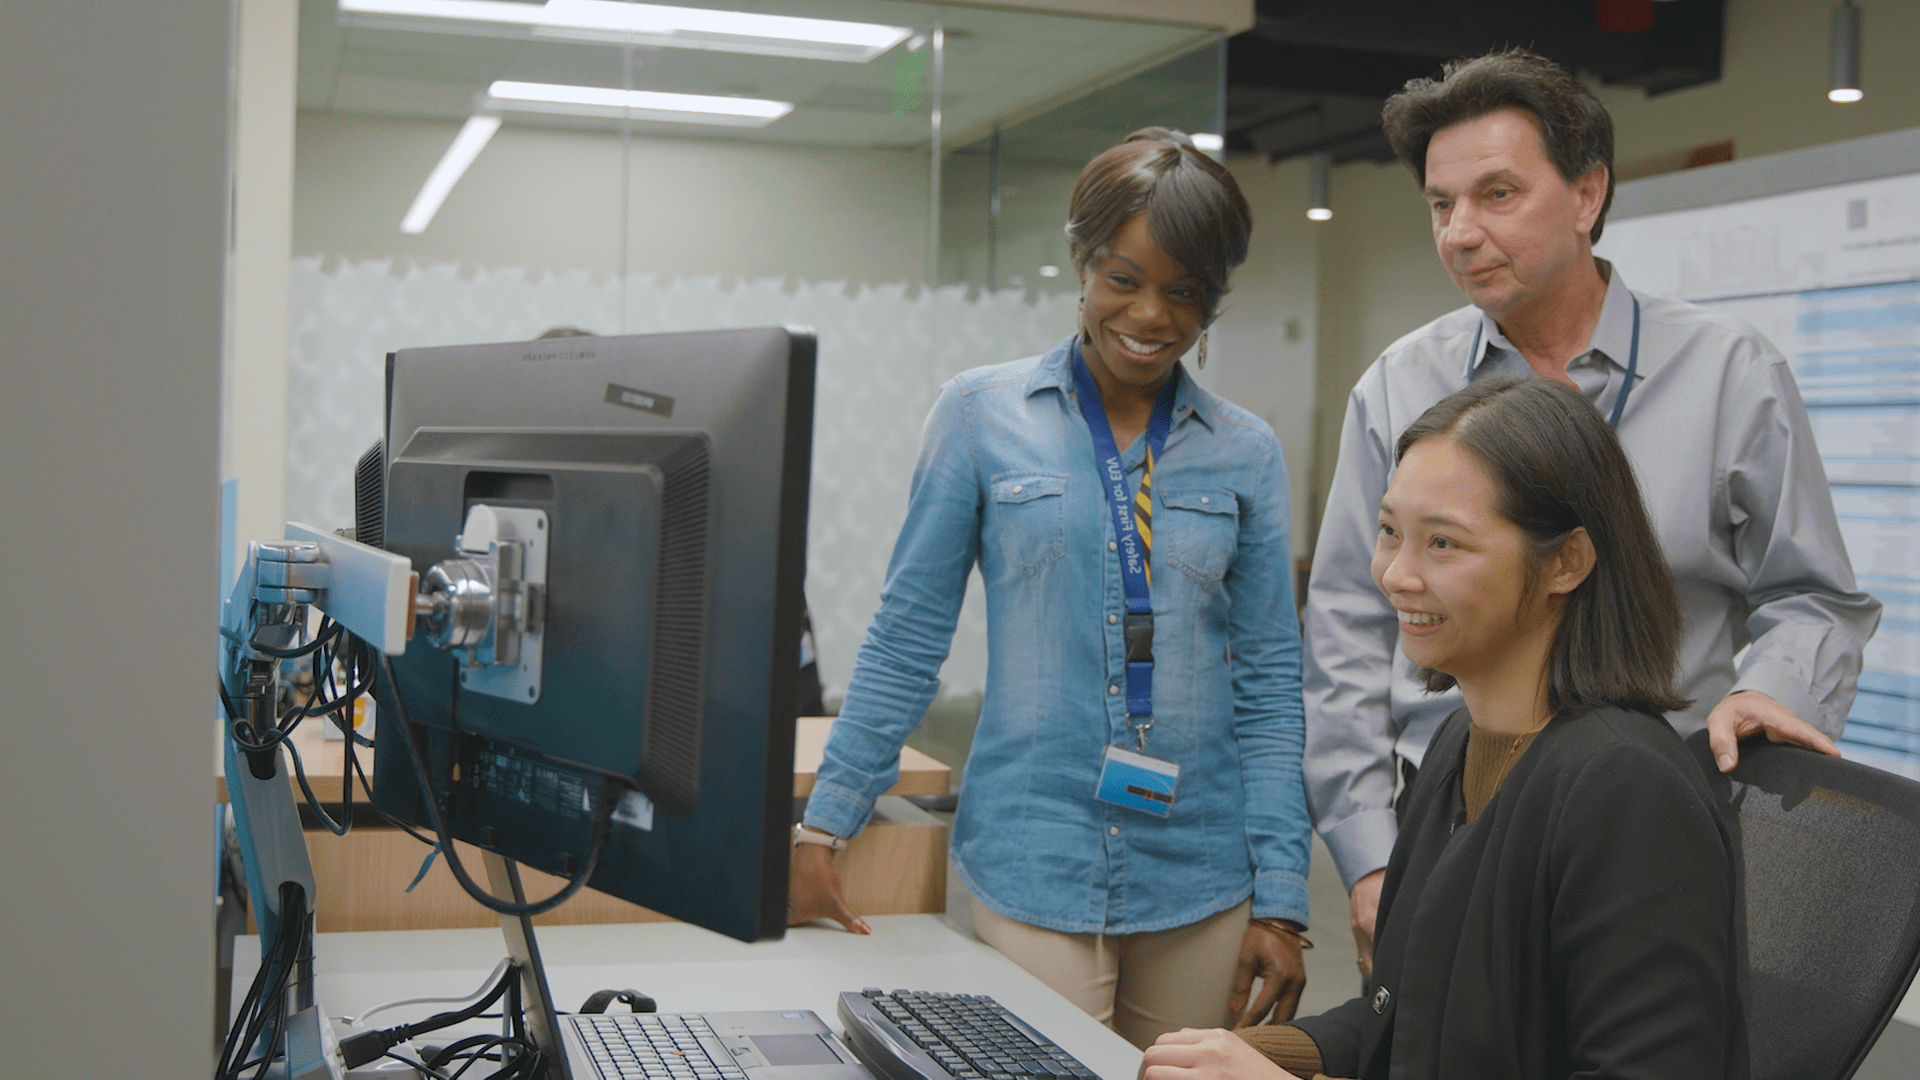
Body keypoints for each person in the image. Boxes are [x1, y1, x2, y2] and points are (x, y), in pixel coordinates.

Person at [1303, 48, 1880, 974]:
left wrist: (1773, 687)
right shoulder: (1399, 386)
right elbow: (1344, 633)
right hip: (1451, 817)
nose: (1459, 232)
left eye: (1497, 194)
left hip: (1659, 833)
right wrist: (1373, 861)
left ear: (1586, 194)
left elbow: (1813, 596)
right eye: (1441, 204)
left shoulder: (1732, 374)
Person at [787, 128, 1314, 1048]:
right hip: (1036, 855)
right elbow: (910, 634)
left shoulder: (1246, 451)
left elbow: (1269, 684)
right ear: (1080, 260)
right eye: (1123, 278)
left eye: (1185, 292)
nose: (1151, 314)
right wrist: (824, 824)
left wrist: (1283, 899)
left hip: (1199, 869)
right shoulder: (980, 416)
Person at [1146, 376, 1748, 1080]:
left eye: (1443, 544)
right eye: (1390, 531)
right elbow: (1403, 1013)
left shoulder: (1628, 790)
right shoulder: (1458, 744)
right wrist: (1243, 1056)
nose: (1397, 574)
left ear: (1567, 562)